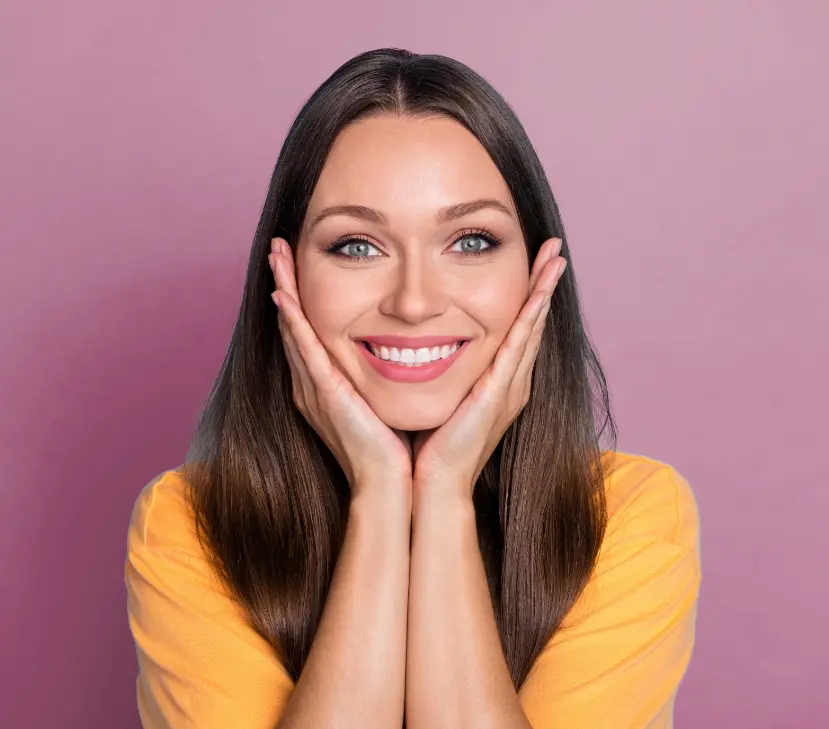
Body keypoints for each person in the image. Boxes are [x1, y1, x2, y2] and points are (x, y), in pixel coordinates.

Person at [124, 47, 701, 729]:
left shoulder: (628, 519)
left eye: (471, 241)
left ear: (538, 268)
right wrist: (379, 490)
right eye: (357, 245)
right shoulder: (190, 525)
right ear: (286, 274)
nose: (414, 301)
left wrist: (445, 490)